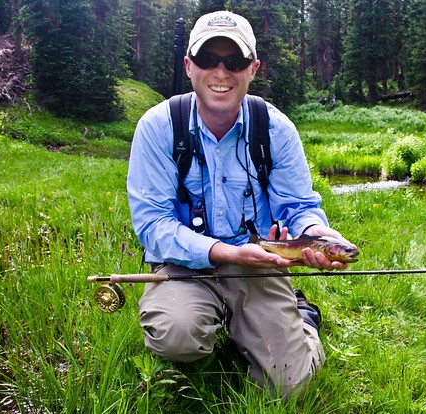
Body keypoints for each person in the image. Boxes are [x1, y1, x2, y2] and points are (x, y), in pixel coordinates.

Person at [127, 10, 353, 396]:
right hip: (185, 267)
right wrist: (221, 252)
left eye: (234, 61)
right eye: (206, 60)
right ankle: (220, 323)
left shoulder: (276, 129)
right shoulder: (157, 127)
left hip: (259, 266)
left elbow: (297, 207)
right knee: (176, 337)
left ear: (253, 68)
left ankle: (304, 321)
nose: (220, 73)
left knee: (288, 387)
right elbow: (153, 226)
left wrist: (315, 234)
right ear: (188, 65)